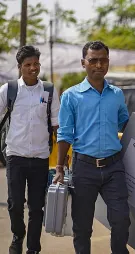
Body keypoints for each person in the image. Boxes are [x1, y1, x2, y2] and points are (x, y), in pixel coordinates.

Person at [53, 41, 135, 254]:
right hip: (84, 168)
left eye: (103, 60)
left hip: (113, 167)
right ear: (84, 63)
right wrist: (60, 168)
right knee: (82, 226)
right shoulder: (71, 96)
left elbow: (124, 123)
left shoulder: (116, 94)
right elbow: (64, 134)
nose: (99, 65)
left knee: (121, 219)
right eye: (93, 60)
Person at [0, 46, 60, 254]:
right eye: (27, 65)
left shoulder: (49, 90)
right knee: (15, 204)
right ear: (20, 67)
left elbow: (57, 125)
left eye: (36, 64)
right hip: (15, 156)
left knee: (36, 207)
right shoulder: (9, 90)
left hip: (40, 158)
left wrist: (61, 161)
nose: (33, 68)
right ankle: (18, 235)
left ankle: (33, 248)